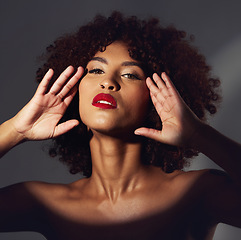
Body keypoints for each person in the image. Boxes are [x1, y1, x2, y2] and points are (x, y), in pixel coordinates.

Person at [0, 11, 240, 240]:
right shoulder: (44, 203)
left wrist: (199, 134)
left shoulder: (197, 193)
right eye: (96, 70)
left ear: (156, 98)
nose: (108, 82)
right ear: (75, 91)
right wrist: (15, 130)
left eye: (129, 75)